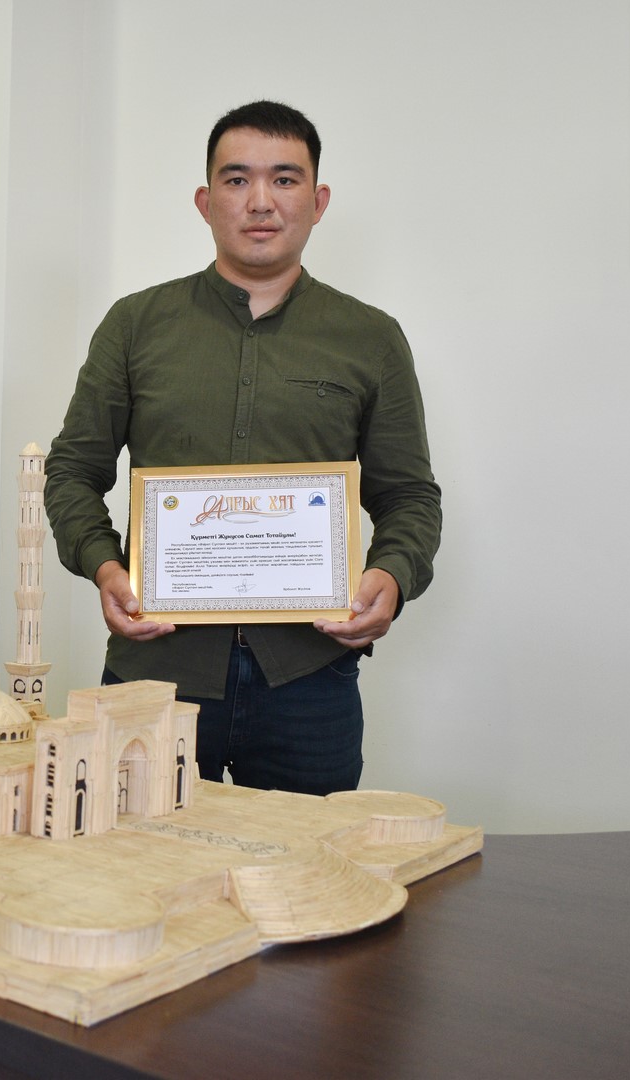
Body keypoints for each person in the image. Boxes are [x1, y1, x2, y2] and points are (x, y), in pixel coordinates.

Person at [43, 100, 441, 797]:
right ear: (205, 202)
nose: (260, 201)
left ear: (318, 201)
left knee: (306, 861)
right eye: (236, 180)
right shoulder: (135, 325)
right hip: (154, 676)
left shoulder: (371, 338)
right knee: (137, 856)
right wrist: (106, 568)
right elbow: (73, 472)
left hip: (309, 680)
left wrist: (393, 574)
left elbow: (408, 496)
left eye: (285, 179)